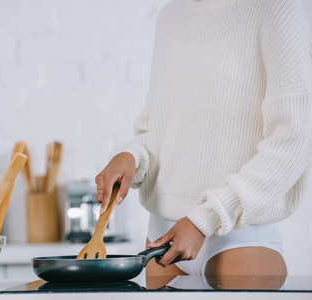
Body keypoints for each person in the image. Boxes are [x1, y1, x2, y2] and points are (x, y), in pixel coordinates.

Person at [95, 0, 312, 282]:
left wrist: (205, 219)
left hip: (239, 237)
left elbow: (292, 140)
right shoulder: (170, 16)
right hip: (162, 238)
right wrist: (130, 155)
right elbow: (159, 128)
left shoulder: (276, 6)